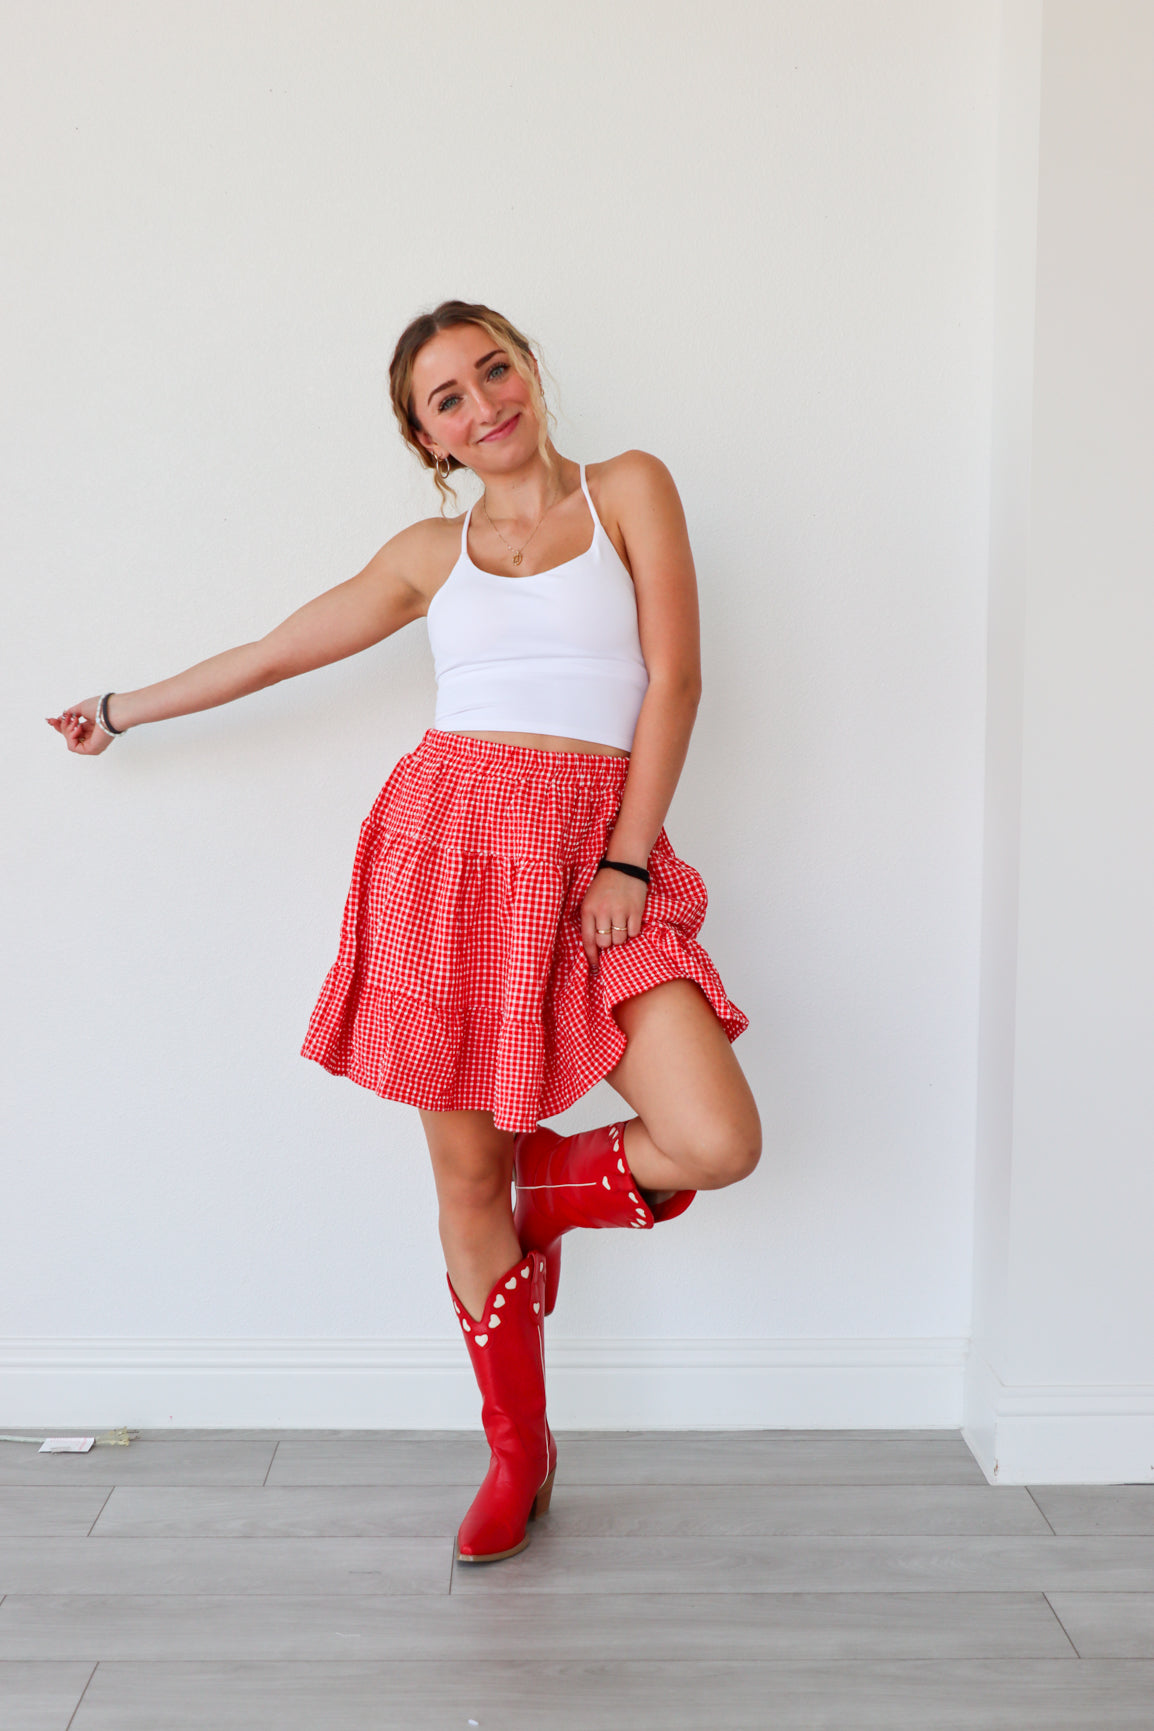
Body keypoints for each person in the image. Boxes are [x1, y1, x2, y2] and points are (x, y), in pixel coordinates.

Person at [47, 298, 761, 1564]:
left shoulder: (627, 489)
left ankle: (541, 1192)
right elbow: (276, 654)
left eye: (494, 369)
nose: (483, 403)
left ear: (529, 369)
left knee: (712, 1137)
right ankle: (516, 1455)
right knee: (462, 1179)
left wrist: (624, 857)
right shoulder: (430, 554)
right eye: (448, 398)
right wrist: (119, 709)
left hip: (596, 858)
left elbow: (677, 679)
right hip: (445, 861)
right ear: (426, 438)